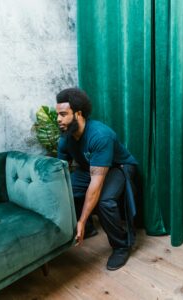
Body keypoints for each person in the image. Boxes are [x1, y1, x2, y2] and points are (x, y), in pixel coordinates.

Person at [56, 87, 138, 270]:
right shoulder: (65, 139)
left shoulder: (100, 135)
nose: (58, 119)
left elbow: (96, 183)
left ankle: (121, 246)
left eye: (63, 114)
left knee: (104, 201)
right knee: (67, 190)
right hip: (90, 169)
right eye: (57, 114)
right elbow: (60, 175)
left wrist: (81, 220)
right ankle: (91, 230)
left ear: (78, 114)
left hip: (118, 167)